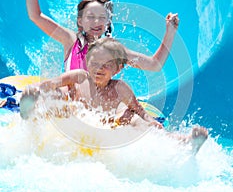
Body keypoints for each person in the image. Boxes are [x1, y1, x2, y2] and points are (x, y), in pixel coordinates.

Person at [20, 38, 208, 154]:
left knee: (135, 120)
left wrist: (151, 121)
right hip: (72, 121)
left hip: (102, 127)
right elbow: (49, 83)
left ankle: (184, 144)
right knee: (56, 95)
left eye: (106, 64)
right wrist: (33, 90)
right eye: (94, 63)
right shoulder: (79, 76)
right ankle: (28, 112)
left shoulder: (120, 88)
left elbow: (140, 110)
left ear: (118, 69)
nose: (99, 69)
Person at [25, 0, 179, 72]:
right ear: (80, 22)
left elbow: (154, 65)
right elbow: (35, 16)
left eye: (102, 17)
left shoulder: (115, 50)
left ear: (108, 22)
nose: (96, 21)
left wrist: (170, 32)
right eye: (90, 17)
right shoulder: (70, 40)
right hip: (72, 104)